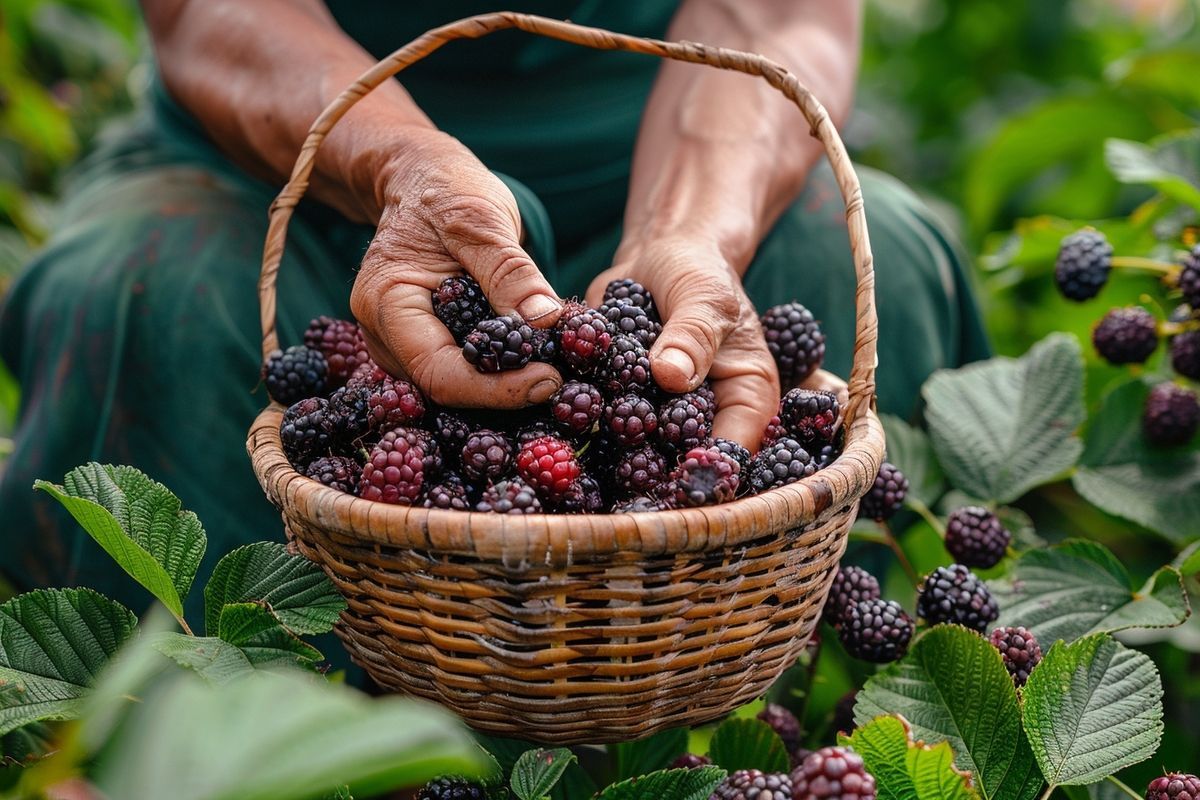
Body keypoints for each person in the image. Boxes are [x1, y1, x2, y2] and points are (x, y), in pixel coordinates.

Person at [0, 0, 988, 617]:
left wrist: (692, 230)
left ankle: (751, 722)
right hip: (283, 151)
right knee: (143, 295)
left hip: (666, 150)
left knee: (873, 258)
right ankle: (242, 724)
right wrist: (396, 163)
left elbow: (777, 16)